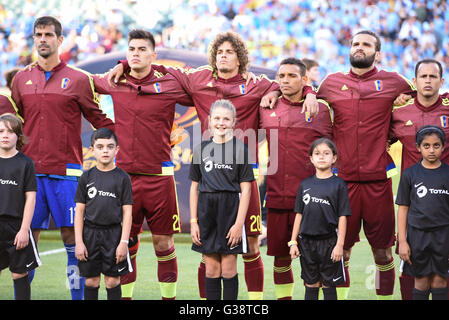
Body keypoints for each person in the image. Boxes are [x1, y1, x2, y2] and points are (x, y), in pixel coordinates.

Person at [109, 30, 318, 300]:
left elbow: (288, 83)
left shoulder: (256, 84)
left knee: (251, 246)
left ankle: (254, 302)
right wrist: (125, 64)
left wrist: (309, 92)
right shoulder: (198, 79)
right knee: (208, 250)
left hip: (245, 178)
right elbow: (158, 67)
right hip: (210, 180)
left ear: (240, 58)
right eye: (220, 52)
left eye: (230, 52)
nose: (223, 56)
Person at [10, 16, 115, 300]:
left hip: (67, 175)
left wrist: (134, 139)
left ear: (60, 39)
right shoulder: (21, 79)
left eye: (48, 34)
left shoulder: (79, 79)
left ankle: (77, 298)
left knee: (74, 240)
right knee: (26, 240)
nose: (42, 39)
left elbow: (100, 120)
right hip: (29, 175)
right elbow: (12, 124)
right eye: (38, 35)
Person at [308, 30, 417, 300]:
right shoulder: (332, 82)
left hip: (378, 182)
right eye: (356, 43)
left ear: (377, 53)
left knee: (382, 251)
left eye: (366, 44)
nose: (359, 47)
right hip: (342, 183)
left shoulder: (394, 82)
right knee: (340, 250)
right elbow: (303, 91)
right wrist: (310, 92)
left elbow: (422, 98)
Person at [91, 29, 194, 300]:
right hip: (124, 179)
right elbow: (83, 84)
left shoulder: (169, 82)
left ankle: (168, 298)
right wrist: (107, 126)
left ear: (153, 54)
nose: (136, 54)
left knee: (164, 243)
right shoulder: (114, 80)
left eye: (141, 49)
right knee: (126, 242)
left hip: (159, 178)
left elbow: (202, 90)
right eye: (131, 50)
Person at [258, 57, 333, 300]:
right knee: (281, 259)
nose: (285, 80)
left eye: (292, 76)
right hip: (278, 197)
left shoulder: (321, 109)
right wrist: (272, 88)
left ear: (304, 79)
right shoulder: (267, 106)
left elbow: (336, 150)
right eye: (281, 76)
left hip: (313, 201)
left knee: (318, 260)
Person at [390, 58, 449, 300]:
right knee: (413, 271)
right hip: (414, 208)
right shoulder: (398, 113)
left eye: (433, 76)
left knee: (443, 275)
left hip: (443, 207)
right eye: (423, 76)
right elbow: (379, 141)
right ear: (414, 82)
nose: (428, 80)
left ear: (441, 81)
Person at [189, 99, 254, 300]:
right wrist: (193, 222)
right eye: (217, 118)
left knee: (228, 268)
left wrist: (238, 224)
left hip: (230, 211)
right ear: (209, 121)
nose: (221, 122)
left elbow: (246, 189)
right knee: (211, 269)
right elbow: (194, 187)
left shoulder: (241, 149)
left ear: (234, 122)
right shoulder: (201, 149)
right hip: (207, 211)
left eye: (226, 119)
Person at [74, 128, 133, 300]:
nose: (105, 150)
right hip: (89, 235)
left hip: (114, 235)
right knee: (91, 281)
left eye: (110, 146)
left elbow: (127, 212)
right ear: (92, 150)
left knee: (112, 281)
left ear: (117, 149)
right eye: (100, 147)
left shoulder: (123, 178)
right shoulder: (86, 177)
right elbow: (79, 211)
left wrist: (123, 242)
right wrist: (79, 242)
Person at [289, 138, 351, 300]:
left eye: (326, 153)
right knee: (311, 284)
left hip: (329, 242)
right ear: (311, 158)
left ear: (334, 158)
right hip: (306, 243)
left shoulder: (339, 185)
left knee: (329, 284)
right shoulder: (305, 184)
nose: (321, 157)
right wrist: (293, 242)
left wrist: (340, 245)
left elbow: (343, 216)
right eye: (317, 153)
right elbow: (299, 214)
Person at [396, 125, 449, 300]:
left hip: (444, 236)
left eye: (436, 145)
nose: (431, 150)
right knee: (421, 281)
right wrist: (402, 241)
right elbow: (403, 208)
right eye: (426, 146)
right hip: (417, 236)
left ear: (443, 147)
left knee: (441, 281)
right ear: (418, 147)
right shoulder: (410, 174)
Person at [0, 113, 41, 300]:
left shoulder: (26, 163)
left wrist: (25, 229)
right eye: (1, 131)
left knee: (19, 274)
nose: (5, 135)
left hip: (17, 227)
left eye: (10, 131)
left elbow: (31, 198)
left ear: (18, 136)